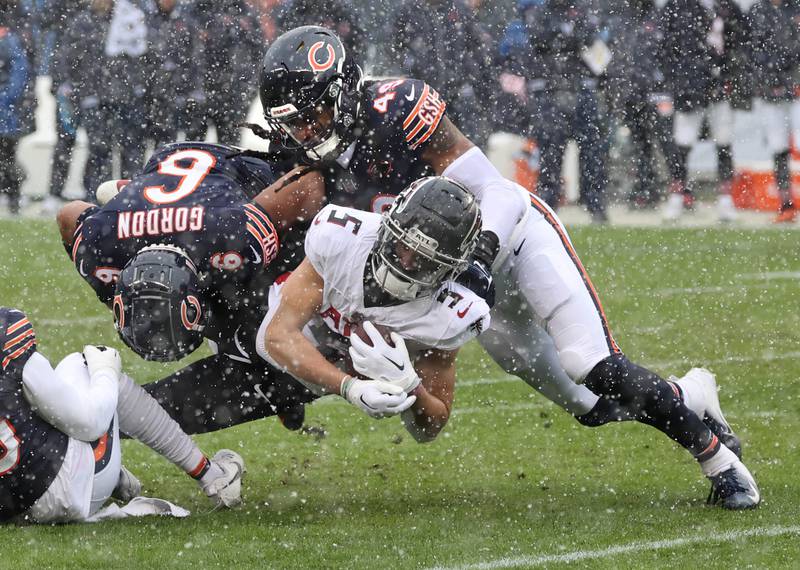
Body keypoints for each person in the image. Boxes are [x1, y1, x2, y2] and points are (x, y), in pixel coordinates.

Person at [254, 26, 760, 508]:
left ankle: (719, 462)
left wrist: (479, 259)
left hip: (510, 239)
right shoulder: (306, 163)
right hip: (448, 279)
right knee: (590, 406)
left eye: (311, 114)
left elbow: (496, 191)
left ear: (341, 93)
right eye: (291, 121)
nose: (302, 130)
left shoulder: (397, 110)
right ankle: (692, 392)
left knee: (592, 364)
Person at [57, 141, 324, 431]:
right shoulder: (101, 244)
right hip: (179, 193)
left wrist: (307, 252)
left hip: (238, 173)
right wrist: (111, 290)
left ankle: (281, 386)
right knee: (235, 317)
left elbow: (310, 181)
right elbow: (68, 215)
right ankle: (276, 386)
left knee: (257, 327)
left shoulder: (232, 235)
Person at [263, 177, 490, 439]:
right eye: (404, 244)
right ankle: (285, 394)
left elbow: (428, 430)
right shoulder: (340, 237)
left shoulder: (452, 312)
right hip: (320, 333)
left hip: (357, 349)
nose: (405, 263)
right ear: (388, 224)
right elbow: (277, 335)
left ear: (450, 268)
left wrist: (411, 387)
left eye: (425, 261)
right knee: (261, 342)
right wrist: (349, 387)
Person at [0, 307, 245, 524]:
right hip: (67, 491)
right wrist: (105, 371)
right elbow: (88, 423)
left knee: (46, 395)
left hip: (10, 510)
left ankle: (115, 478)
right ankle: (213, 477)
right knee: (84, 364)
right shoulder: (7, 332)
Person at [660, 0, 752, 222]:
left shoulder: (726, 6)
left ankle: (725, 200)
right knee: (683, 143)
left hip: (720, 86)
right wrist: (679, 81)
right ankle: (677, 196)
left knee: (723, 142)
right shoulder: (678, 6)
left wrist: (731, 74)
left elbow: (742, 41)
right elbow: (666, 47)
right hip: (690, 87)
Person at [749, 0, 799, 223]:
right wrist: (767, 77)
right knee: (778, 148)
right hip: (771, 91)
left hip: (796, 89)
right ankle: (786, 203)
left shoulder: (795, 8)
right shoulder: (758, 10)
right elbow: (752, 50)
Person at [0, 9, 30, 215]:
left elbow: (19, 73)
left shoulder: (7, 40)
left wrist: (7, 97)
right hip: (5, 112)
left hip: (4, 114)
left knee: (7, 155)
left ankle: (13, 198)